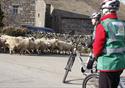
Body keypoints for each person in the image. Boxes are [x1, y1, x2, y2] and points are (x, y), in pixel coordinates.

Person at [92, 0, 125, 88]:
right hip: (120, 64)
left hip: (107, 64)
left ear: (106, 10)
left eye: (102, 9)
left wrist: (95, 56)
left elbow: (97, 46)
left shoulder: (103, 25)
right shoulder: (121, 24)